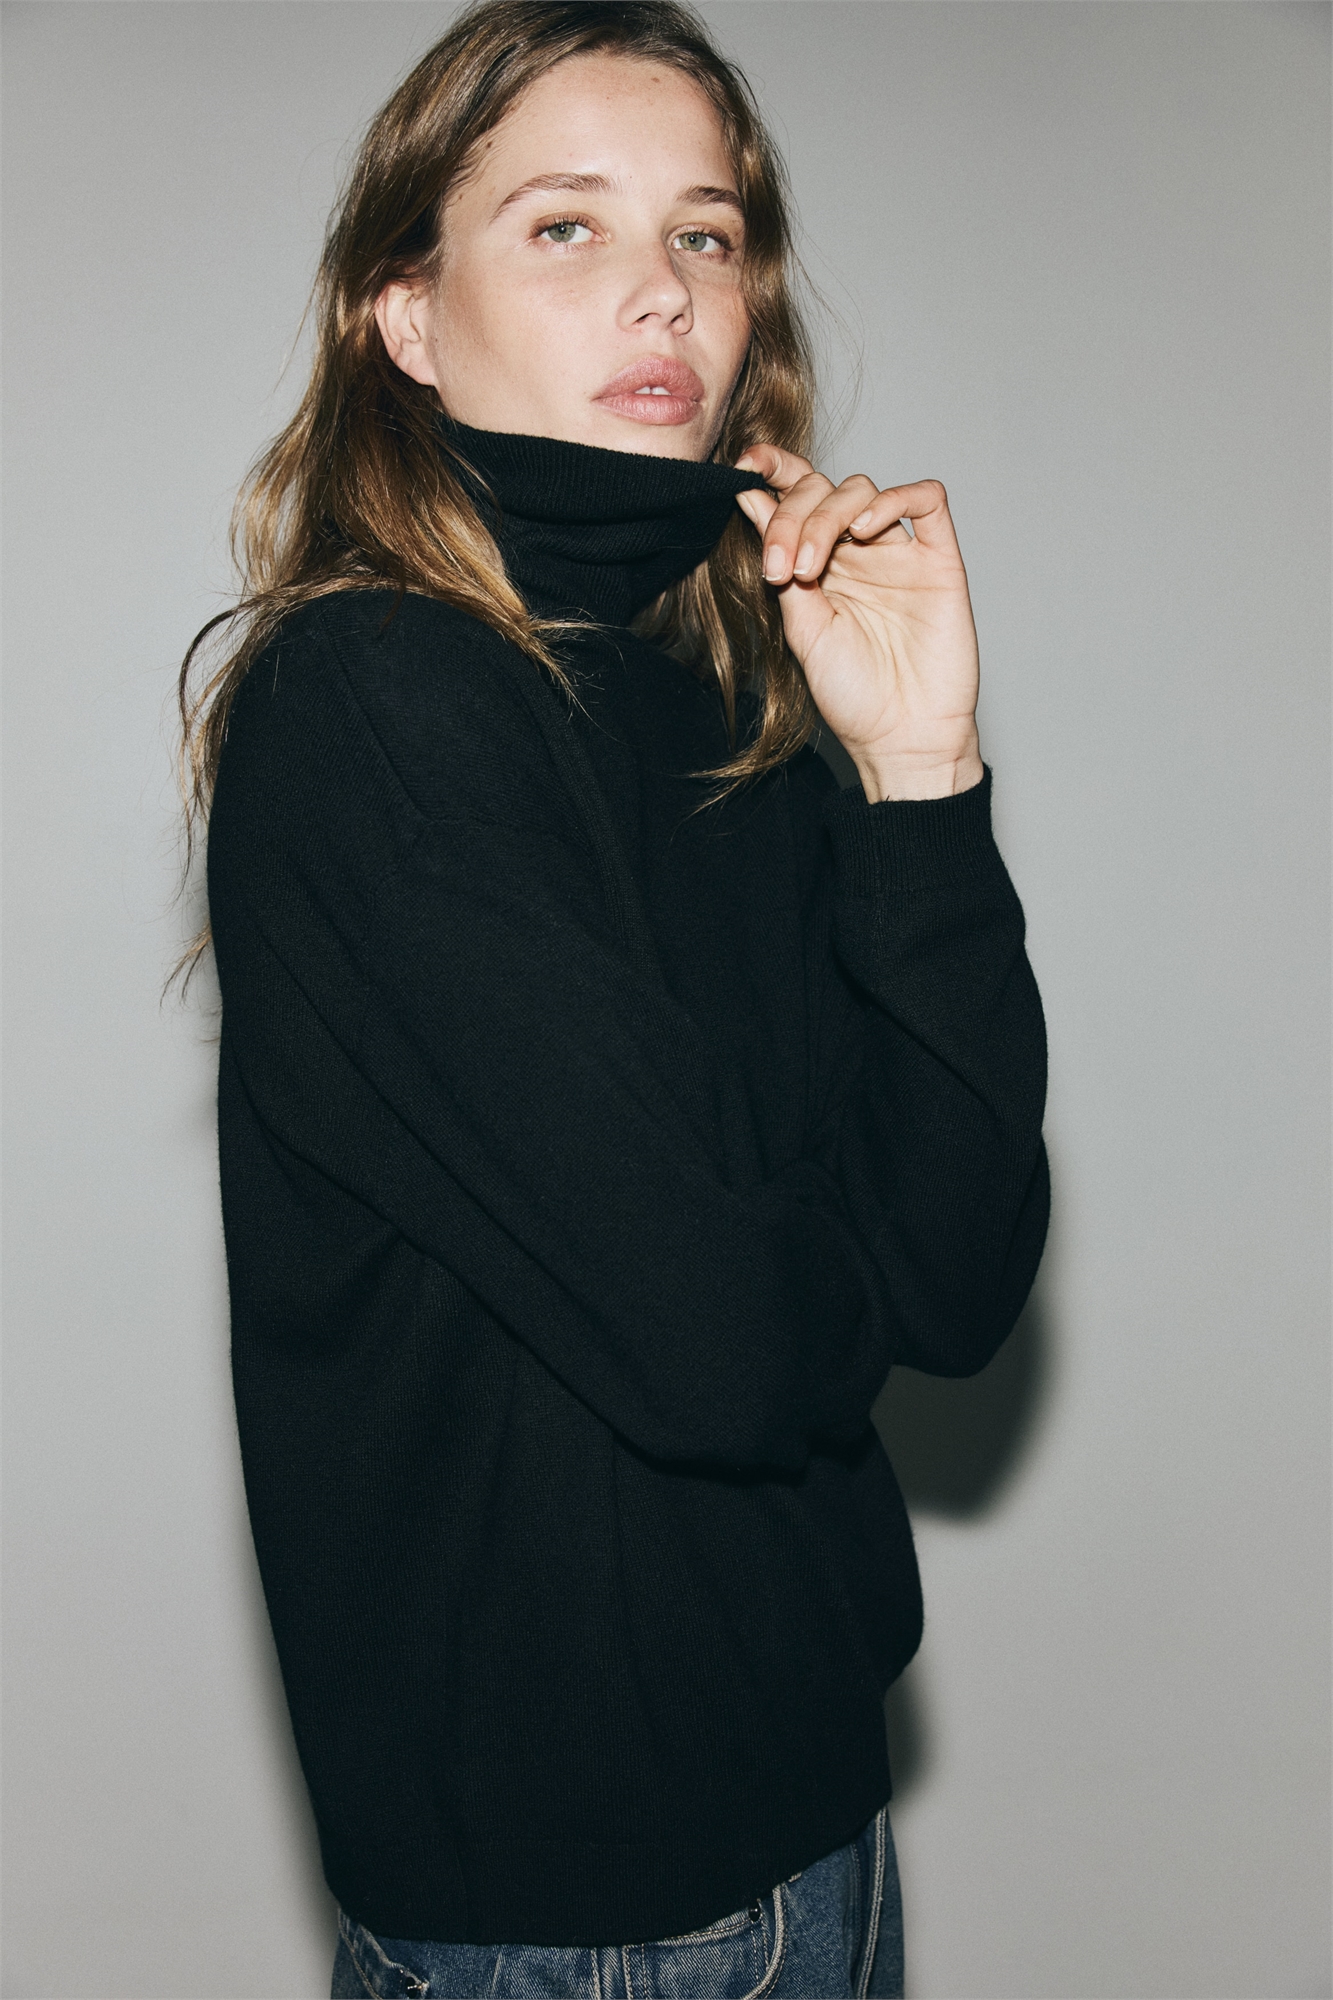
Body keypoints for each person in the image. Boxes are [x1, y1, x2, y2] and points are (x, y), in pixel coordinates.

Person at [182, 3, 1049, 1993]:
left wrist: (922, 774)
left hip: (811, 1817)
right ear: (406, 314)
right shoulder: (377, 700)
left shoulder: (724, 704)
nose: (663, 287)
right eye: (564, 226)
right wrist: (806, 1262)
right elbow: (726, 1344)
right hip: (584, 1910)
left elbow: (956, 1281)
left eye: (705, 232)